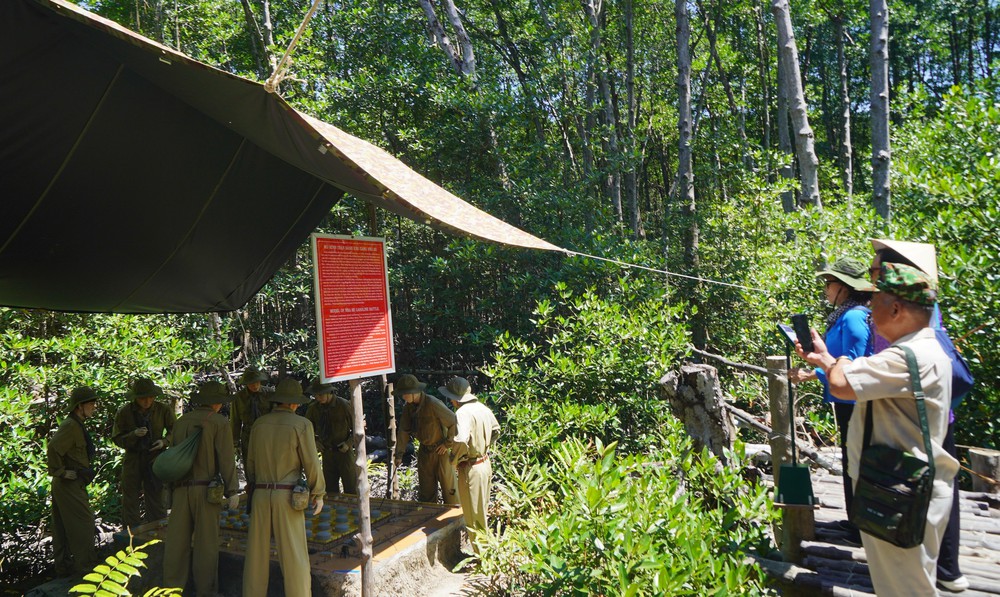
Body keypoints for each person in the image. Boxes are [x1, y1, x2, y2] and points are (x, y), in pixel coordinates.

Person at [797, 263, 958, 596]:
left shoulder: (908, 357)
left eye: (875, 302)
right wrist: (827, 360)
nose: (869, 312)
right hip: (902, 487)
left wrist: (837, 360)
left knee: (905, 590)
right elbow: (845, 376)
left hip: (902, 495)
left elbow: (841, 384)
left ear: (896, 308)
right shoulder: (928, 347)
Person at [870, 238, 968, 593]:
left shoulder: (895, 310)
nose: (872, 275)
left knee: (918, 487)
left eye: (875, 268)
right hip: (937, 413)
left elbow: (883, 367)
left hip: (911, 421)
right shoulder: (924, 301)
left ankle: (925, 567)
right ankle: (948, 568)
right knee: (942, 483)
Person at [788, 257, 874, 543]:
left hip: (856, 402)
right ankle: (855, 522)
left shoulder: (853, 317)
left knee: (857, 462)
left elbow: (854, 363)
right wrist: (813, 371)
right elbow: (836, 363)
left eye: (829, 283)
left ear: (844, 287)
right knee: (851, 460)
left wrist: (814, 372)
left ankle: (862, 528)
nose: (825, 288)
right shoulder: (844, 314)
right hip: (847, 400)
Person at [243, 378, 325, 597]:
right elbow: (311, 462)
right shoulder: (301, 425)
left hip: (260, 494)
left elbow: (250, 462)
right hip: (287, 497)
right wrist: (318, 492)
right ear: (294, 403)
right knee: (294, 555)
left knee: (256, 556)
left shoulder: (259, 424)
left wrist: (255, 485)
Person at [163, 381, 239, 597]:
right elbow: (226, 459)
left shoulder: (181, 422)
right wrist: (232, 490)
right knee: (206, 545)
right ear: (217, 402)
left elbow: (171, 459)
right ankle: (206, 591)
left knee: (176, 545)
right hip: (206, 492)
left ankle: (170, 591)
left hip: (180, 490)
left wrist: (168, 492)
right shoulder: (219, 422)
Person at [439, 377, 500, 550]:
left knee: (473, 515)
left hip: (471, 468)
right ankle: (487, 552)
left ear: (455, 399)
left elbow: (460, 440)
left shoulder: (463, 413)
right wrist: (483, 446)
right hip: (485, 463)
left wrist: (455, 460)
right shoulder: (482, 408)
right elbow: (496, 430)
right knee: (481, 511)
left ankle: (483, 556)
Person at [48, 386, 100, 577]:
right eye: (91, 404)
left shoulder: (77, 424)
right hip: (68, 484)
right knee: (84, 523)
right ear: (80, 406)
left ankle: (64, 568)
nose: (94, 407)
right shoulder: (71, 426)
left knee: (61, 527)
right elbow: (53, 448)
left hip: (71, 483)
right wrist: (61, 472)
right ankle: (87, 569)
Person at [112, 377, 174, 530]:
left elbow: (176, 430)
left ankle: (158, 532)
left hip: (155, 458)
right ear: (136, 398)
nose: (147, 401)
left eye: (150, 397)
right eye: (143, 398)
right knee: (130, 498)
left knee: (156, 497)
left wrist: (164, 442)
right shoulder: (125, 412)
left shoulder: (163, 409)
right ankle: (131, 536)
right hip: (133, 458)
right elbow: (117, 438)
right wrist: (133, 435)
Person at [394, 374, 459, 505]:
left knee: (450, 490)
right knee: (426, 492)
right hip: (424, 452)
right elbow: (403, 431)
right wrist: (399, 454)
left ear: (414, 392)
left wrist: (447, 444)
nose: (403, 397)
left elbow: (454, 421)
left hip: (441, 452)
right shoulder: (409, 407)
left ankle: (456, 516)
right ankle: (429, 517)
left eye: (405, 394)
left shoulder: (432, 403)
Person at [304, 379, 357, 494]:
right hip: (327, 452)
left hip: (344, 453)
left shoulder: (343, 405)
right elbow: (306, 429)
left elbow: (358, 427)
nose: (318, 398)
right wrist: (315, 441)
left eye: (320, 395)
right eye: (316, 395)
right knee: (330, 489)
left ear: (329, 392)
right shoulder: (313, 408)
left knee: (351, 487)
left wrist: (348, 443)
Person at [231, 365, 273, 469]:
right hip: (248, 436)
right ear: (246, 383)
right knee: (250, 466)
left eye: (257, 382)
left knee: (267, 465)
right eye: (251, 383)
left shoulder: (269, 394)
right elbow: (235, 421)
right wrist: (235, 443)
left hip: (267, 435)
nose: (255, 385)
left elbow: (277, 416)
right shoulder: (239, 398)